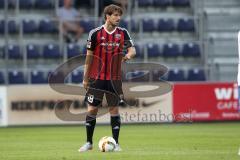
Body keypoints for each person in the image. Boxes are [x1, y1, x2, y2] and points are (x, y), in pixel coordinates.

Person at [78, 4, 136, 152]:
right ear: (107, 16)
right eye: (115, 15)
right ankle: (89, 143)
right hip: (96, 78)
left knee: (114, 110)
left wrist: (128, 55)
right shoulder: (95, 33)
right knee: (92, 110)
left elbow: (132, 50)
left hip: (114, 79)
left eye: (119, 15)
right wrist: (85, 79)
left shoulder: (123, 33)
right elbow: (88, 58)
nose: (118, 18)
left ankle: (116, 143)